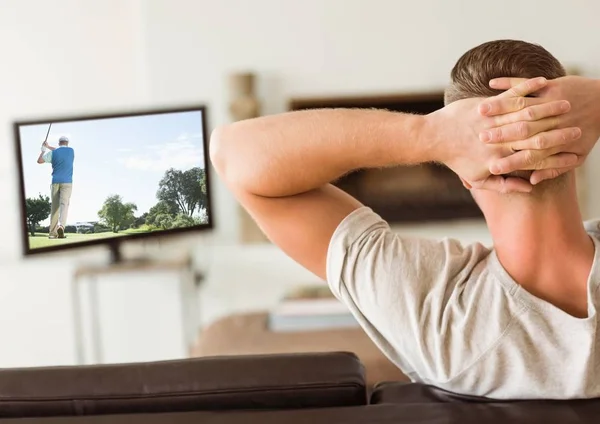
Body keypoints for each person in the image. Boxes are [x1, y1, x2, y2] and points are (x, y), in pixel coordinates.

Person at [209, 39, 600, 400]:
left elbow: (231, 153)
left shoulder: (438, 318)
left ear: (462, 174)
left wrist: (429, 133)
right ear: (579, 145)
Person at [37, 135, 75, 239]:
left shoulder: (53, 153)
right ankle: (61, 226)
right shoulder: (71, 151)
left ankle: (52, 234)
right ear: (67, 143)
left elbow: (39, 161)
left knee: (54, 208)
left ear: (59, 143)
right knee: (64, 205)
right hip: (67, 183)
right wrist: (49, 146)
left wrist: (43, 150)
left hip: (55, 182)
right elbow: (60, 150)